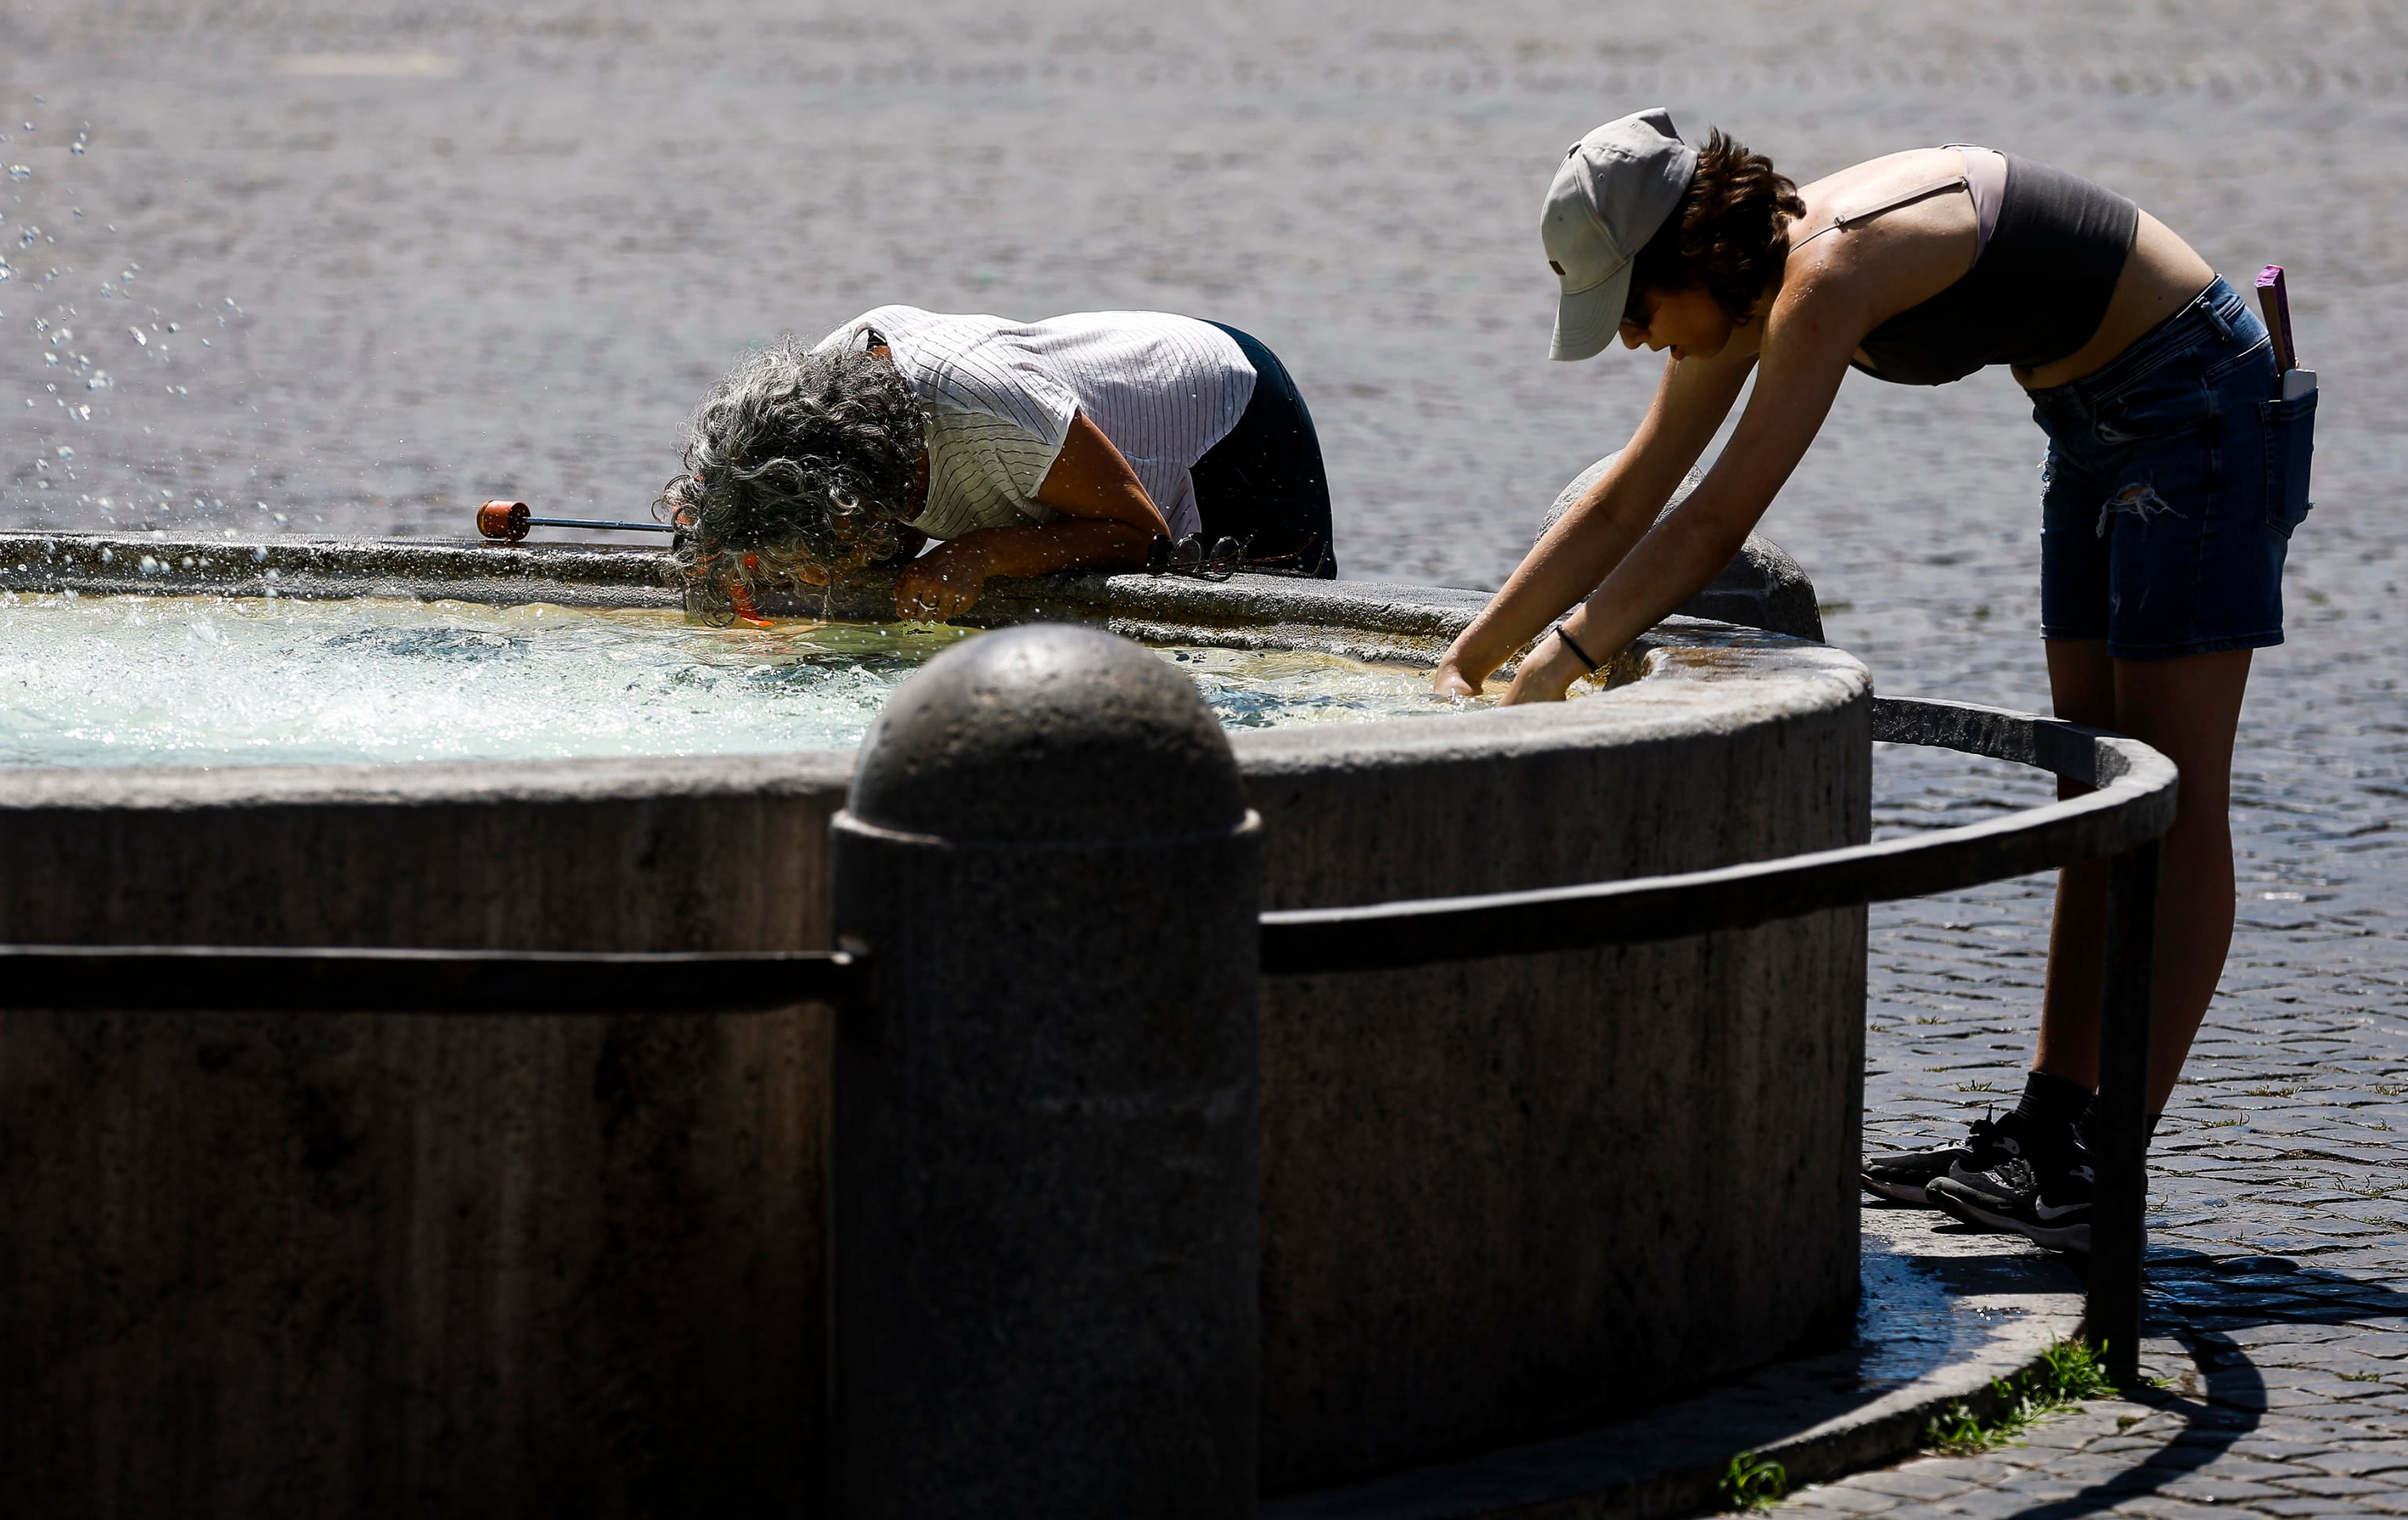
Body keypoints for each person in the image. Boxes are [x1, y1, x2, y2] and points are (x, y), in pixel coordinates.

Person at [1433, 111, 2316, 1253]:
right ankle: (2048, 1131)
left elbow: (1712, 519)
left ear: (1688, 256)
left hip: (2198, 404)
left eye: (1637, 312)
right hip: (2095, 421)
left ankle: (2105, 1168)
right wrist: (1468, 657)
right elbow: (1625, 496)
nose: (1638, 341)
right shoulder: (1747, 291)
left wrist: (1562, 661)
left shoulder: (1824, 273)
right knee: (2094, 789)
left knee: (2170, 799)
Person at [658, 306, 1336, 624]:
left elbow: (1141, 533)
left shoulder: (982, 408)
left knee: (1265, 631)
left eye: (811, 560)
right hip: (1054, 436)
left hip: (1224, 411)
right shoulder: (822, 395)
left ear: (854, 499)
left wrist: (979, 555)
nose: (804, 579)